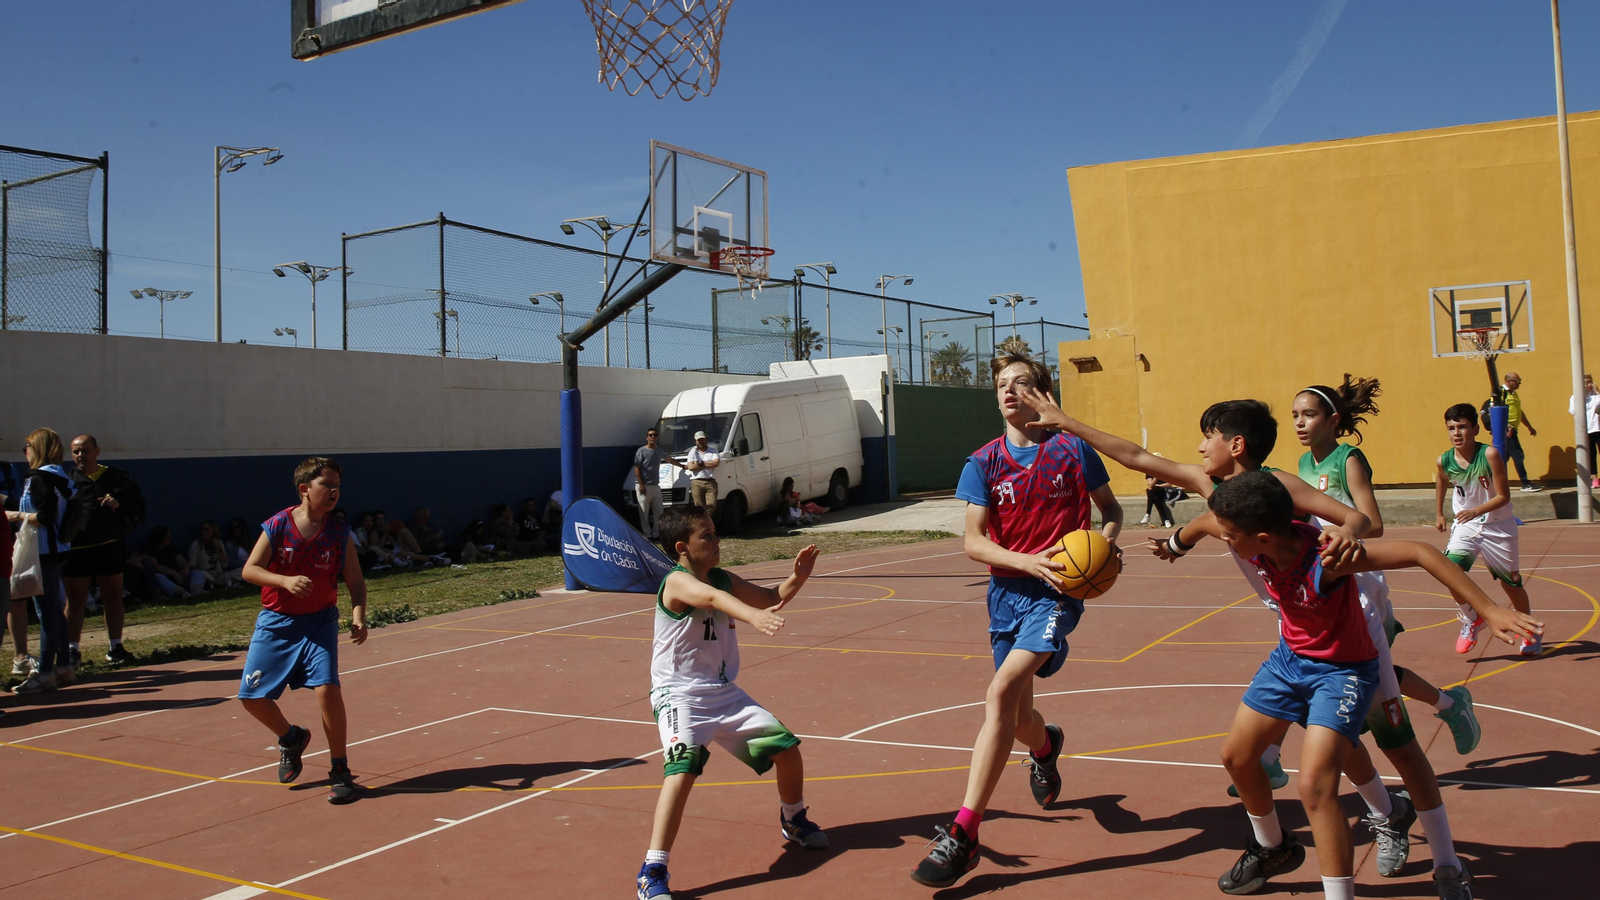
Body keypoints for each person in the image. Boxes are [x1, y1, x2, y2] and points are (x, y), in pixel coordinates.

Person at [1195, 379, 1484, 895]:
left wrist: (1489, 610)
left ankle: (1446, 863)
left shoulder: (1327, 521)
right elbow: (1189, 503)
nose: (1300, 422)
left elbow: (1403, 542)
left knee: (1380, 751)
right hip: (1296, 648)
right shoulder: (1267, 494)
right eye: (1295, 414)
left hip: (1354, 632)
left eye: (1308, 414)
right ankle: (1304, 835)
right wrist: (1180, 537)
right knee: (1247, 756)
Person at [1200, 472, 1537, 900]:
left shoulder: (1329, 559)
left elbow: (1419, 551)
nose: (1225, 540)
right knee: (1236, 757)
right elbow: (1206, 522)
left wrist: (1489, 610)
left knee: (1315, 786)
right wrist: (1178, 541)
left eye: (1229, 536)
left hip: (1343, 672)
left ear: (1263, 537)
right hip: (1289, 661)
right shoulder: (1250, 532)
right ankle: (1274, 847)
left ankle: (1397, 876)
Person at [910, 354, 1125, 889]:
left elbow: (1112, 511)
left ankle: (964, 833)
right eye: (1002, 384)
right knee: (1019, 715)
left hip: (1056, 594)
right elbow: (973, 541)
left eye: (1021, 382)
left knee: (1000, 691)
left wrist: (1103, 550)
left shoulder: (1073, 449)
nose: (1009, 390)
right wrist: (1024, 560)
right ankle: (1046, 745)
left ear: (1043, 392)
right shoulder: (982, 462)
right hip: (1006, 592)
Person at [635, 506, 825, 900]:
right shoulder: (677, 583)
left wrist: (797, 578)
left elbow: (771, 597)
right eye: (708, 535)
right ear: (682, 547)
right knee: (681, 771)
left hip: (721, 691)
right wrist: (754, 618)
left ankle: (794, 819)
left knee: (787, 751)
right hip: (679, 694)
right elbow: (712, 598)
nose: (718, 540)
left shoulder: (722, 577)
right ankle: (652, 869)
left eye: (716, 532)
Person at [238, 456, 367, 805]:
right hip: (277, 623)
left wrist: (358, 615)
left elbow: (355, 581)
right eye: (327, 484)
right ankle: (291, 737)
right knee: (251, 698)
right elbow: (249, 570)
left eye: (338, 485)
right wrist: (283, 580)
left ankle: (339, 769)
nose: (334, 491)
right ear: (304, 490)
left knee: (327, 689)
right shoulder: (279, 525)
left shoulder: (340, 532)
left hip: (319, 623)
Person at [1436, 402, 1541, 656]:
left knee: (1511, 584)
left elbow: (1503, 496)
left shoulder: (1490, 455)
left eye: (1462, 427)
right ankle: (1473, 618)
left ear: (1475, 428)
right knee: (1450, 571)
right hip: (1466, 524)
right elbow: (1441, 481)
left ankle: (1529, 631)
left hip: (1498, 525)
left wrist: (1477, 510)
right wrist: (1439, 512)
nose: (1456, 433)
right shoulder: (1444, 460)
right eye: (1451, 428)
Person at [63, 433, 145, 667]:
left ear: (96, 451)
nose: (81, 455)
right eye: (76, 451)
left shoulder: (115, 478)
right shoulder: (68, 480)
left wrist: (117, 504)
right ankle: (72, 650)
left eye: (85, 450)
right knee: (75, 601)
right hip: (77, 550)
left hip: (109, 547)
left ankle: (115, 646)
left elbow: (136, 507)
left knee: (112, 597)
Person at [7, 429, 76, 693]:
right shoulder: (58, 476)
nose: (25, 451)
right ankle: (64, 665)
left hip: (44, 552)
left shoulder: (38, 478)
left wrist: (16, 515)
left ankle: (46, 671)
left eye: (28, 446)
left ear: (38, 448)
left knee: (46, 612)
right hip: (58, 549)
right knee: (54, 610)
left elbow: (43, 516)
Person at [633, 427, 684, 540]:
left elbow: (669, 459)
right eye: (650, 435)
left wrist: (682, 466)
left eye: (655, 435)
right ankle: (647, 534)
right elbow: (637, 468)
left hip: (655, 486)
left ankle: (657, 534)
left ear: (657, 437)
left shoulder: (658, 450)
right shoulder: (641, 451)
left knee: (659, 512)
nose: (653, 437)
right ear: (647, 437)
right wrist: (641, 485)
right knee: (644, 513)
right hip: (643, 486)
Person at [1499, 371, 1539, 492]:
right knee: (1518, 455)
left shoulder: (1514, 394)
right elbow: (1496, 409)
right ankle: (1525, 483)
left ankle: (1495, 482)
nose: (1519, 384)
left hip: (1513, 430)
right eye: (1517, 381)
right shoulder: (1501, 392)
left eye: (1519, 381)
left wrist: (1529, 427)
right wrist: (1506, 426)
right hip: (1506, 430)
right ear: (1508, 381)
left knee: (1502, 458)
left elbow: (1519, 412)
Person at [189, 519, 241, 589]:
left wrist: (219, 548)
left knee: (241, 571)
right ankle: (221, 584)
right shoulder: (196, 544)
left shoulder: (219, 543)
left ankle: (217, 583)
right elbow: (192, 566)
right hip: (205, 574)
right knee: (200, 573)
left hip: (218, 575)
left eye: (207, 530)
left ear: (213, 531)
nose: (203, 532)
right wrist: (207, 573)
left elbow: (225, 565)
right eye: (202, 530)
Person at [1569, 373, 1600, 489]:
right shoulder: (1576, 396)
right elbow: (1573, 411)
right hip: (1588, 429)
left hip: (1598, 427)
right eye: (1586, 383)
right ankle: (1594, 478)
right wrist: (1582, 396)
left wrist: (1598, 392)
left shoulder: (1596, 395)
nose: (1588, 385)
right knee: (1591, 454)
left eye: (1590, 382)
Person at [684, 431, 721, 519]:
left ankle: (703, 520)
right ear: (696, 441)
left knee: (712, 505)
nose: (701, 441)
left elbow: (716, 463)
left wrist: (700, 464)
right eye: (699, 440)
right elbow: (690, 467)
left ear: (706, 439)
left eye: (702, 439)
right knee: (698, 507)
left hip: (710, 482)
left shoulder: (713, 451)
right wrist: (708, 464)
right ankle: (704, 524)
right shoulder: (693, 452)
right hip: (697, 482)